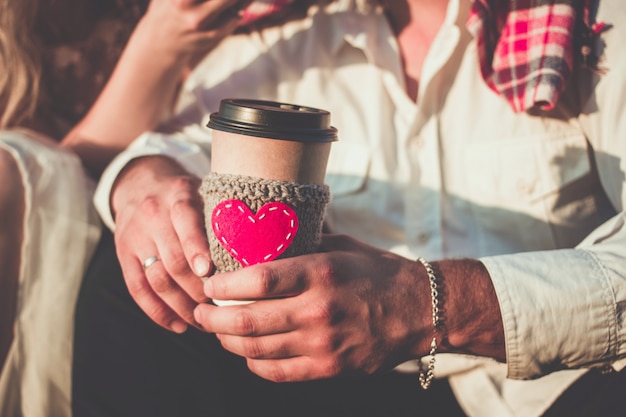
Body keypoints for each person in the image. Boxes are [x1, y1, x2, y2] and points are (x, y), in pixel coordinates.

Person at [72, 0, 626, 416]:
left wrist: (431, 306)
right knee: (129, 279)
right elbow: (181, 144)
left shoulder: (594, 24)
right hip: (329, 389)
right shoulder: (285, 30)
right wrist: (142, 182)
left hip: (549, 391)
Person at [0, 0, 249, 415]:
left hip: (158, 172)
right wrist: (162, 40)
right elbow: (66, 156)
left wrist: (167, 39)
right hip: (67, 180)